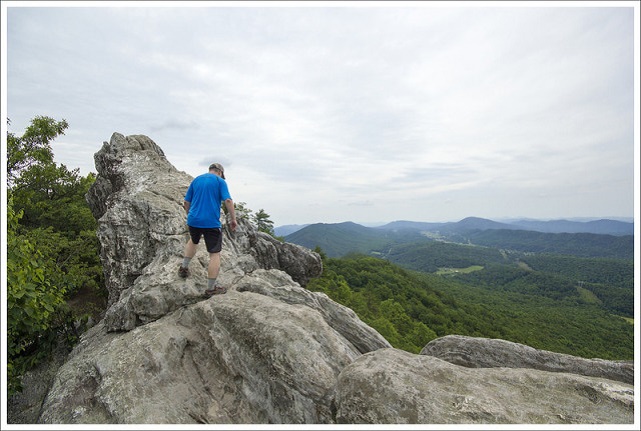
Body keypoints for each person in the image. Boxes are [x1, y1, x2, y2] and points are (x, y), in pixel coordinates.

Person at [178, 162, 238, 296]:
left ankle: (184, 267)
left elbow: (186, 202)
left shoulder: (196, 180)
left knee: (193, 240)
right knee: (214, 254)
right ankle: (211, 288)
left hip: (194, 219)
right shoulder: (219, 181)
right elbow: (228, 200)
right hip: (211, 222)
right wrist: (233, 219)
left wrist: (190, 216)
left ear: (210, 170)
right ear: (220, 172)